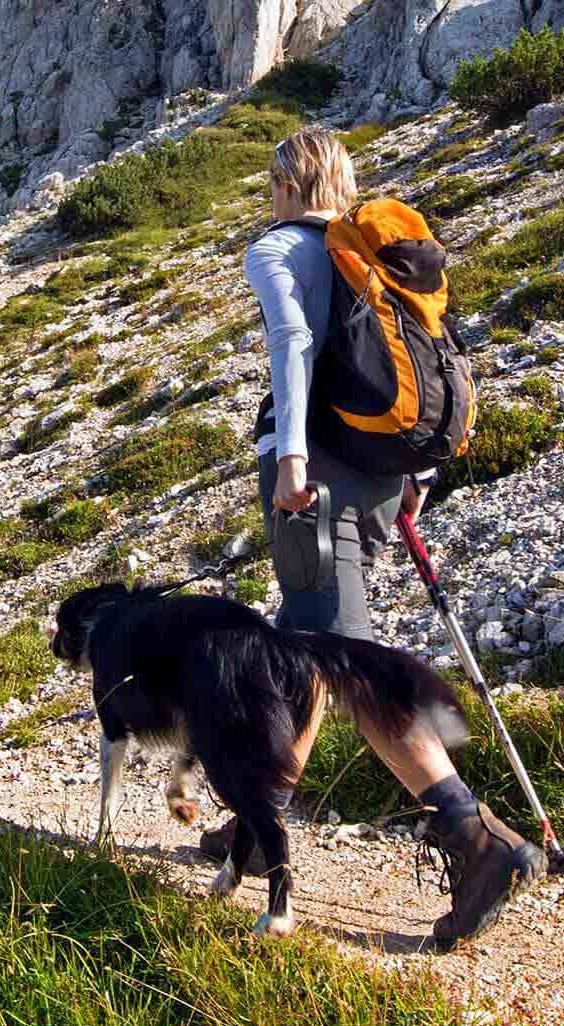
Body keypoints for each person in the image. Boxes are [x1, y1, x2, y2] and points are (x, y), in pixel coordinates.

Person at [218, 126, 544, 947]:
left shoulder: (280, 249)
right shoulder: (373, 256)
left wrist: (291, 454)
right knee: (304, 648)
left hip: (313, 478)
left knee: (346, 660)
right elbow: (429, 369)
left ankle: (471, 836)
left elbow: (293, 343)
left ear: (286, 183)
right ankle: (259, 827)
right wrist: (416, 482)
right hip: (378, 477)